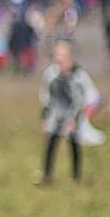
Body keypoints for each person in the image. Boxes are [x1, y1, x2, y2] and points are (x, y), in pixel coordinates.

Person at [36, 40, 100, 185]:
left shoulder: (79, 75)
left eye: (62, 55)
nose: (59, 58)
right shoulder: (51, 74)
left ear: (69, 56)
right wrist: (44, 119)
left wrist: (76, 119)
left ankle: (75, 177)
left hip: (73, 115)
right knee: (51, 142)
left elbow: (88, 98)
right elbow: (46, 97)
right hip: (56, 115)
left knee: (74, 143)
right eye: (57, 55)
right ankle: (47, 175)